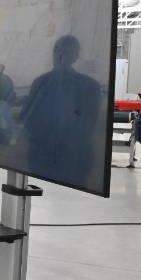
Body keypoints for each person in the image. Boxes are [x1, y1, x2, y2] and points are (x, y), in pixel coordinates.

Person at [19, 35, 102, 187]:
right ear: (76, 56)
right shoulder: (91, 86)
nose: (60, 55)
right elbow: (90, 126)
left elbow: (27, 122)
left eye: (62, 51)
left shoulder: (41, 82)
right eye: (60, 51)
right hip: (72, 162)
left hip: (50, 161)